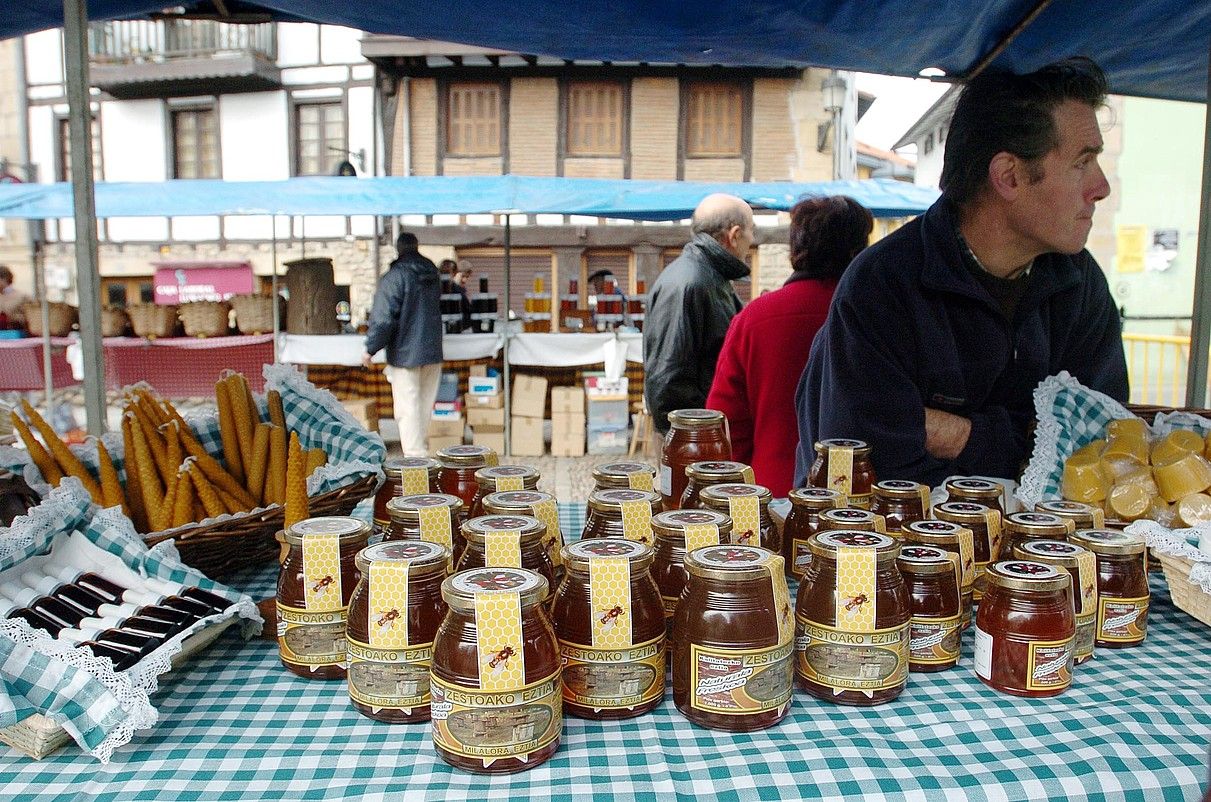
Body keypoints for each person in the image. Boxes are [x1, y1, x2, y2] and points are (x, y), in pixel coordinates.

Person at [795, 57, 1129, 489]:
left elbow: (1103, 456)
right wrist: (1026, 441)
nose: (1101, 186)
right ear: (1009, 176)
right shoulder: (882, 289)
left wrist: (959, 435)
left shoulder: (1079, 286)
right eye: (1083, 162)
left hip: (1047, 553)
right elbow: (866, 480)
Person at [706, 197, 873, 497]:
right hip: (858, 499)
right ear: (859, 250)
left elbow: (726, 429)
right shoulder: (875, 317)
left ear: (796, 249)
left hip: (771, 495)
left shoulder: (753, 320)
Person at [644, 193, 754, 433]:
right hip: (693, 437)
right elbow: (667, 378)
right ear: (734, 236)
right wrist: (694, 438)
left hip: (699, 430)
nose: (752, 240)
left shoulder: (709, 276)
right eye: (751, 232)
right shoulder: (691, 282)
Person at [363, 232, 443, 456]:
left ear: (398, 249)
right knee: (424, 407)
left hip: (405, 352)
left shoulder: (394, 277)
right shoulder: (432, 273)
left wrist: (370, 348)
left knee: (408, 409)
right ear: (416, 247)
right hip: (432, 350)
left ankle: (415, 461)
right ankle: (422, 453)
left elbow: (383, 318)